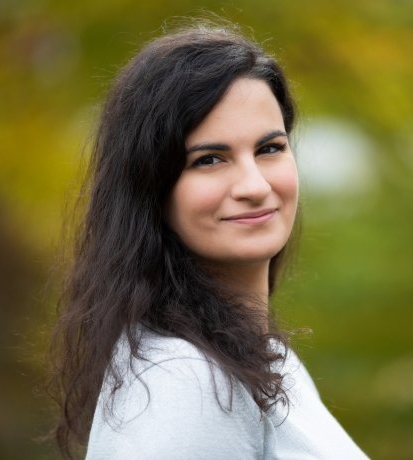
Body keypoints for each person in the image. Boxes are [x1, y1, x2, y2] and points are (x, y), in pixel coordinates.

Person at [49, 22, 368, 460]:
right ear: (151, 188)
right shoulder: (189, 381)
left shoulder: (264, 361)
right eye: (210, 159)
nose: (254, 185)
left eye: (269, 149)